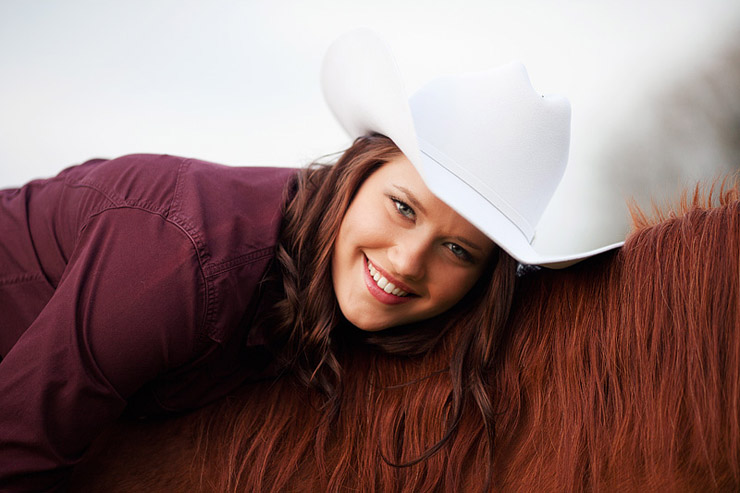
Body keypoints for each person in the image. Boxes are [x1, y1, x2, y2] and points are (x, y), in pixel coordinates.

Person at [0, 29, 621, 491]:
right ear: (356, 174)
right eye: (403, 207)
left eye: (458, 249)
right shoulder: (188, 257)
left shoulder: (348, 302)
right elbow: (15, 448)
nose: (407, 262)